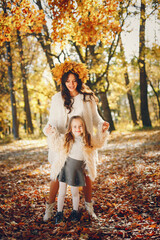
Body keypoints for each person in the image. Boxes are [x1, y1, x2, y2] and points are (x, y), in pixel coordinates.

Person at [43, 60, 109, 221]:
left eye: (74, 80)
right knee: (57, 176)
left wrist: (102, 124)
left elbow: (95, 117)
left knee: (86, 175)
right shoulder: (57, 98)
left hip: (82, 142)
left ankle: (88, 208)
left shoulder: (87, 97)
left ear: (79, 80)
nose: (71, 84)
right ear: (63, 82)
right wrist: (48, 129)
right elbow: (51, 120)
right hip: (62, 144)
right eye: (67, 81)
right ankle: (50, 210)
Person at [47, 115, 109, 223]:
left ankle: (75, 212)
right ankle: (59, 213)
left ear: (84, 127)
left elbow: (99, 142)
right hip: (65, 169)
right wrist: (52, 133)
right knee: (61, 192)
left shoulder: (87, 140)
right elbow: (55, 144)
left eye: (80, 126)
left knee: (75, 193)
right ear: (70, 128)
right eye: (75, 126)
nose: (78, 129)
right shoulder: (67, 139)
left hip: (76, 171)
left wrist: (102, 131)